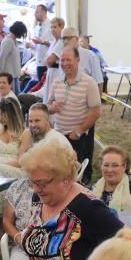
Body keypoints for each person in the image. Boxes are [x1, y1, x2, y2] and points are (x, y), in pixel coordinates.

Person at [46, 47, 100, 184]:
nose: (64, 63)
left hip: (78, 137)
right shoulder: (57, 81)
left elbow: (96, 112)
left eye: (68, 60)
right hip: (59, 135)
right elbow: (48, 105)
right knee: (60, 173)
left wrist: (79, 130)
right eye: (62, 60)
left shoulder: (89, 83)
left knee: (77, 176)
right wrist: (51, 107)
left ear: (78, 60)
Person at [93, 145, 131, 226]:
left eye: (115, 165)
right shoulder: (94, 188)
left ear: (124, 166)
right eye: (106, 165)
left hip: (130, 236)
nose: (109, 170)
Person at [0, 22, 27, 94]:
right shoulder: (8, 41)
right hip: (9, 75)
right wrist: (2, 75)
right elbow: (2, 59)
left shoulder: (14, 41)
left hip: (14, 75)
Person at [29, 4, 53, 83]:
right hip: (39, 61)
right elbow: (37, 46)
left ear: (44, 12)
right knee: (40, 85)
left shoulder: (51, 26)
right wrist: (30, 45)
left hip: (48, 62)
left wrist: (42, 42)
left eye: (37, 12)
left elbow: (55, 43)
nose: (34, 14)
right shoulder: (37, 27)